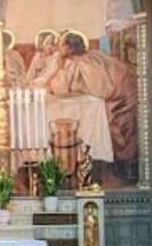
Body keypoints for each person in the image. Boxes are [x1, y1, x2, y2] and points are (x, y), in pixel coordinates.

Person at [45, 30, 138, 162]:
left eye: (61, 45)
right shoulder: (86, 58)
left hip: (124, 100)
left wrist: (61, 70)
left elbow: (103, 90)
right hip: (122, 95)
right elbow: (59, 87)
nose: (57, 48)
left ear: (70, 48)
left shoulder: (87, 63)